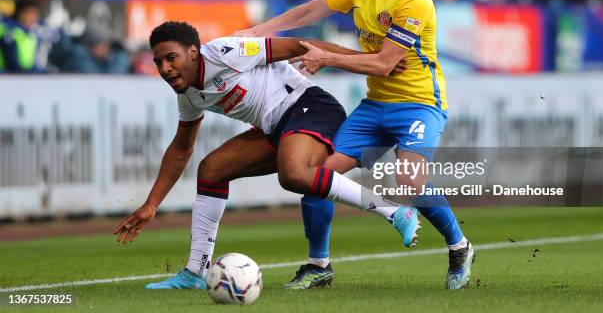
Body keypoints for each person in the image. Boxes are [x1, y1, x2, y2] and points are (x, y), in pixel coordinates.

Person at [235, 0, 474, 290]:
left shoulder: (415, 1)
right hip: (375, 105)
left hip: (418, 103)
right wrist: (260, 31)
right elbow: (310, 11)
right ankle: (319, 265)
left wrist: (326, 57)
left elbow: (382, 63)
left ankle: (459, 246)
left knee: (408, 182)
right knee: (318, 177)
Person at [114, 21, 420, 289]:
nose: (166, 68)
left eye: (171, 58)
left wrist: (370, 60)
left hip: (310, 107)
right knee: (211, 170)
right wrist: (151, 205)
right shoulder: (188, 95)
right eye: (159, 63)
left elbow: (303, 46)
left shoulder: (224, 53)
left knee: (294, 173)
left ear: (193, 52)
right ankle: (196, 272)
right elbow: (181, 150)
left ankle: (394, 211)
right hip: (275, 127)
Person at [0, 0, 45, 73]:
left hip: (24, 77)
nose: (34, 18)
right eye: (30, 13)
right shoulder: (10, 32)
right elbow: (12, 64)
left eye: (35, 14)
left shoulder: (31, 33)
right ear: (20, 13)